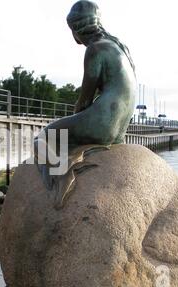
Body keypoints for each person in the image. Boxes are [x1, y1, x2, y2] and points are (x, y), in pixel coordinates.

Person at [33, 0, 137, 208]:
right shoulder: (119, 47)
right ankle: (75, 157)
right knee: (67, 136)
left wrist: (75, 115)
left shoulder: (95, 50)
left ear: (77, 29)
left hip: (101, 122)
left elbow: (85, 99)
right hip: (119, 130)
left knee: (44, 138)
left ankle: (61, 179)